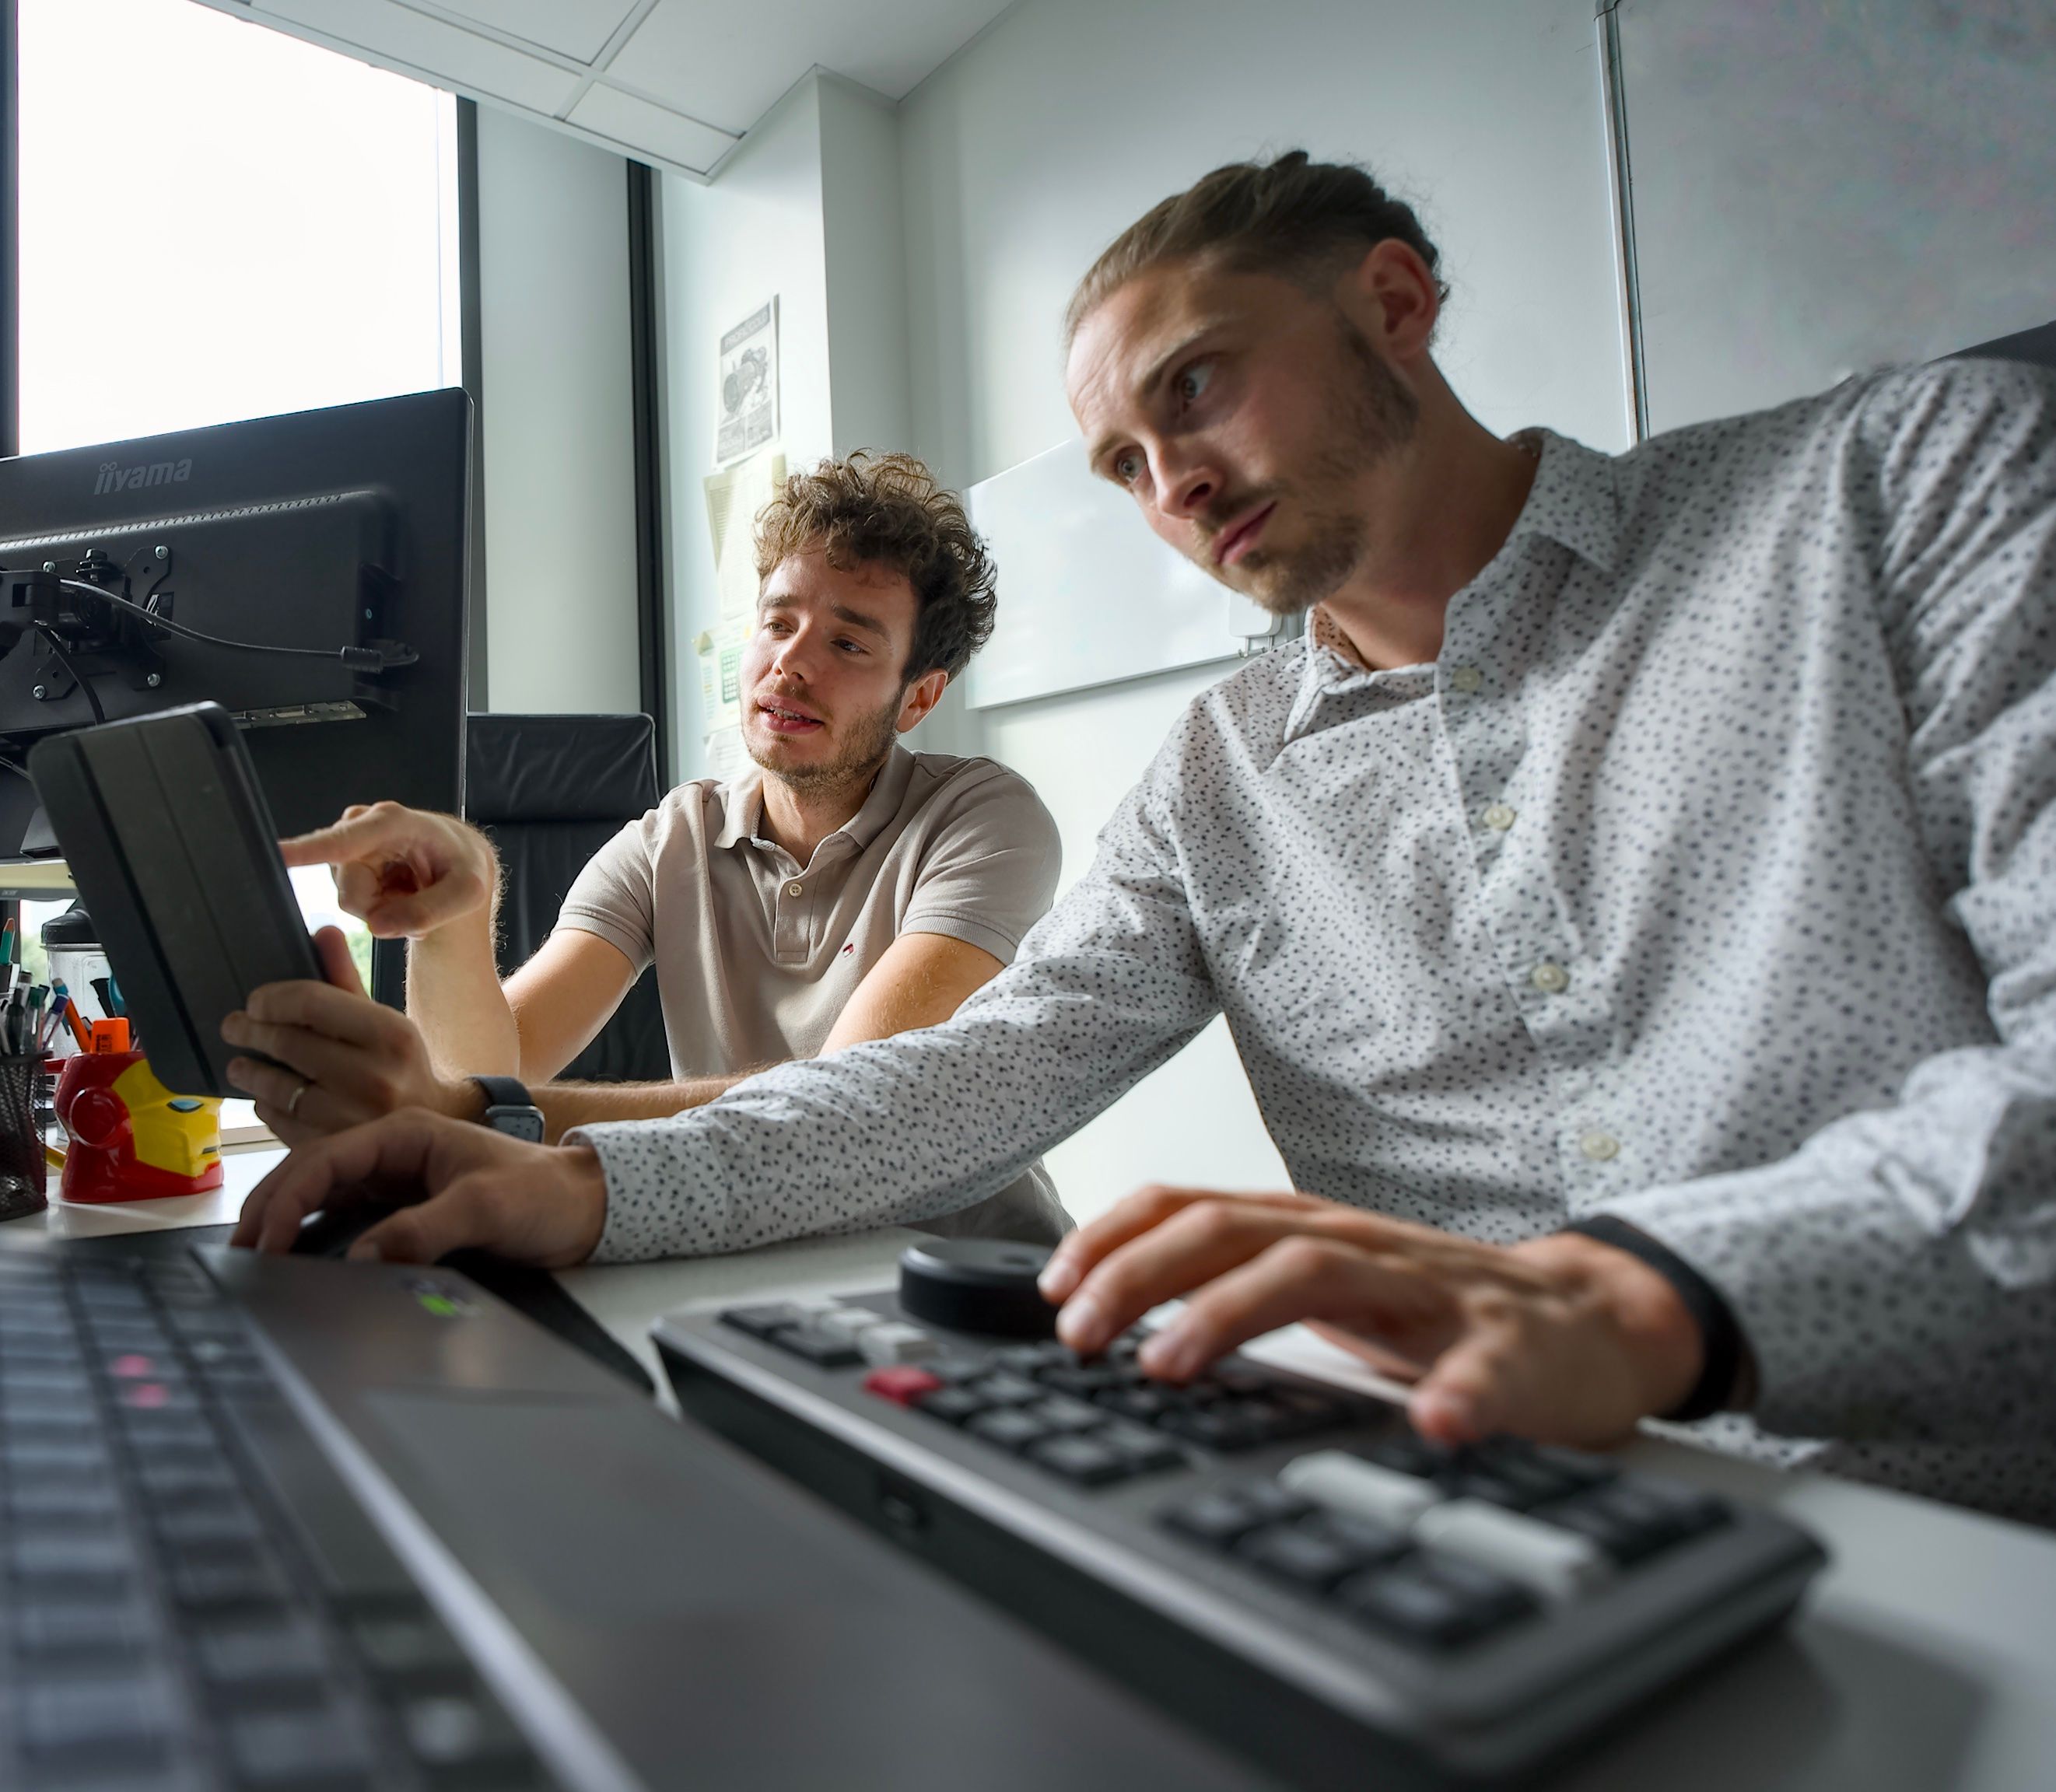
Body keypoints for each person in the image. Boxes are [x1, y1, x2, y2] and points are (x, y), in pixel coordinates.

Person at [235, 153, 2056, 1522]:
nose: (1166, 482)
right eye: (1116, 459)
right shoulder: (1220, 771)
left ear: (1393, 305)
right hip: (1463, 1510)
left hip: (1948, 1505)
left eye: (1192, 386)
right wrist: (581, 1183)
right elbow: (973, 1076)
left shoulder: (1899, 485)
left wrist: (1658, 1297)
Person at [224, 451, 1066, 1241]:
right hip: (745, 1257)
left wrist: (471, 1115)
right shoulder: (674, 837)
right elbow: (491, 1063)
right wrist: (459, 909)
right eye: (777, 624)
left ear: (917, 698)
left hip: (966, 1283)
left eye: (847, 643)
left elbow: (839, 1109)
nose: (791, 664)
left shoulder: (985, 821)